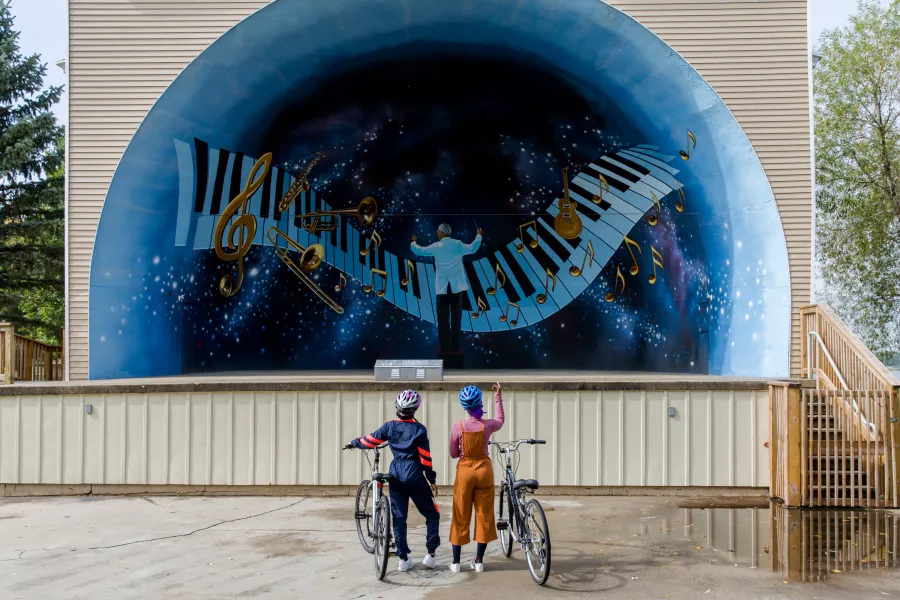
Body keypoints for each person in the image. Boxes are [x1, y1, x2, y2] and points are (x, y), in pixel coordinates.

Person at [345, 390, 440, 572]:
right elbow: (425, 458)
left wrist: (354, 442)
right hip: (414, 474)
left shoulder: (389, 427)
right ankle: (430, 556)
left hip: (395, 473)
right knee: (431, 513)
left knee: (399, 517)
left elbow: (370, 440)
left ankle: (403, 559)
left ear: (397, 407)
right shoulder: (420, 430)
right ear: (415, 409)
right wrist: (431, 478)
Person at [448, 383, 505, 572]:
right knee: (484, 514)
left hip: (465, 471)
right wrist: (498, 396)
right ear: (480, 403)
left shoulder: (459, 426)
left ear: (465, 407)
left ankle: (456, 563)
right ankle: (479, 561)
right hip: (484, 471)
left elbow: (453, 454)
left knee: (460, 514)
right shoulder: (487, 425)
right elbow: (500, 420)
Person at [410, 224, 482, 354]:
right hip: (457, 288)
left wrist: (413, 242)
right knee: (456, 319)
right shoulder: (458, 244)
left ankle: (444, 348)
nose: (437, 233)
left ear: (442, 233)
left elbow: (419, 250)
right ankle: (454, 348)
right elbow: (473, 248)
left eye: (438, 231)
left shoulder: (436, 246)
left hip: (442, 289)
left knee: (442, 320)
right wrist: (479, 235)